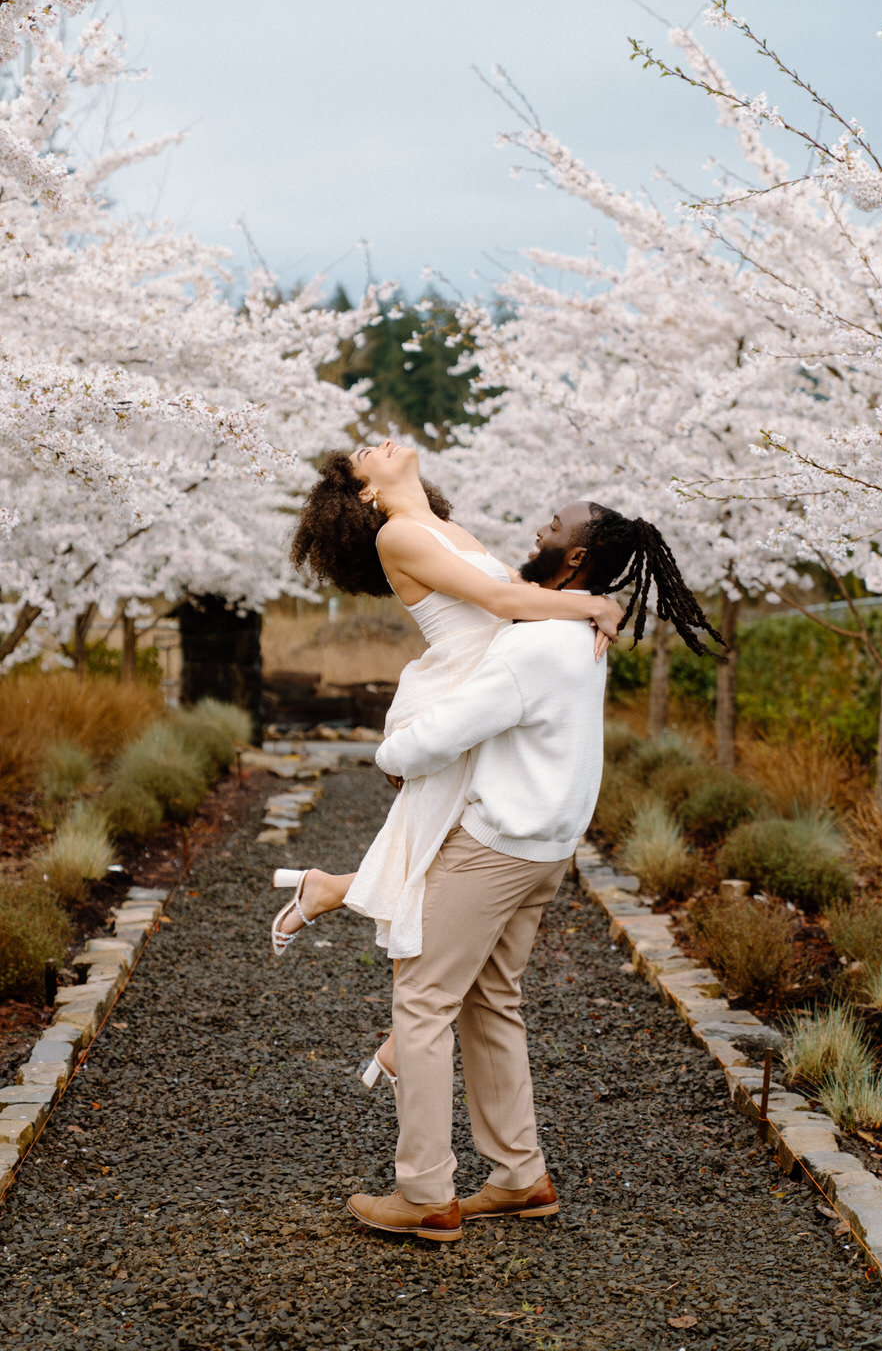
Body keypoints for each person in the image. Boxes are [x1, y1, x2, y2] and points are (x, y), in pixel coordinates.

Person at [345, 498, 722, 1240]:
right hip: (545, 850)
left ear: (576, 558)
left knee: (421, 1004)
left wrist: (390, 753)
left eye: (552, 527)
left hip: (493, 850)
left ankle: (425, 1193)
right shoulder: (578, 629)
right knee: (491, 1000)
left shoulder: (538, 641)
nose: (535, 530)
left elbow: (444, 735)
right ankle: (518, 1176)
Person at [270, 441, 623, 1084]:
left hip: (489, 691)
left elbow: (516, 590)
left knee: (440, 869)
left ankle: (328, 897)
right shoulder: (398, 535)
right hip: (454, 695)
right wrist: (596, 605)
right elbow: (499, 603)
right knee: (438, 867)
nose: (378, 442)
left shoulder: (445, 526)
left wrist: (600, 601)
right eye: (363, 454)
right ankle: (407, 1028)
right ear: (366, 493)